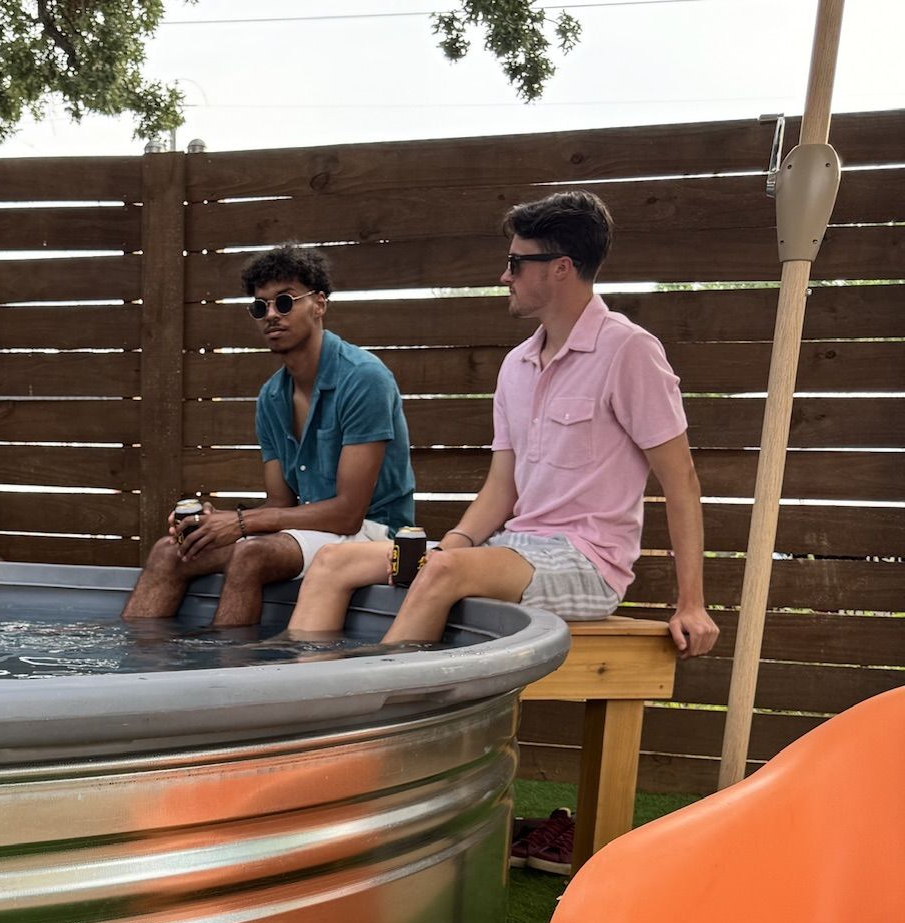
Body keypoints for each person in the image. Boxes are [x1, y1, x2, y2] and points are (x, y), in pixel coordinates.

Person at [288, 190, 720, 661]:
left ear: (561, 268)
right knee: (333, 562)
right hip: (511, 547)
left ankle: (382, 704)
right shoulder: (517, 364)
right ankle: (308, 697)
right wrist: (450, 545)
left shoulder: (629, 350)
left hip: (587, 564)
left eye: (516, 264)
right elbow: (502, 487)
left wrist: (692, 604)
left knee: (443, 573)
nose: (504, 276)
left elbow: (681, 480)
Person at [121, 243, 414, 628]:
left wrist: (240, 524)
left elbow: (347, 515)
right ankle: (138, 664)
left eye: (285, 302)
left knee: (251, 555)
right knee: (169, 552)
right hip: (310, 532)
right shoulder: (272, 397)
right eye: (261, 307)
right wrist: (216, 521)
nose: (272, 314)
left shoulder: (363, 378)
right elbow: (280, 503)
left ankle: (229, 666)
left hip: (377, 534)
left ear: (319, 304)